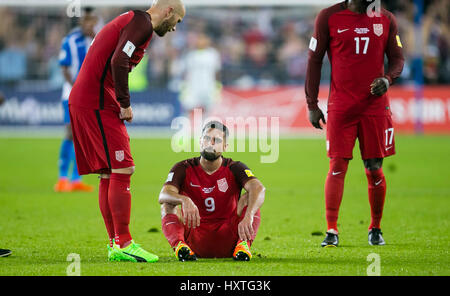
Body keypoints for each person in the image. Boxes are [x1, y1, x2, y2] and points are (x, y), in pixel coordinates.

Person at [68, 0, 186, 262]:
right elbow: (119, 59)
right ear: (168, 11)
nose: (175, 28)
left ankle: (115, 243)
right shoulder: (142, 23)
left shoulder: (132, 20)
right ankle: (124, 242)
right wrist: (125, 103)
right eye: (177, 21)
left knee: (109, 172)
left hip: (88, 97)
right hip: (97, 100)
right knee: (123, 168)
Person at [305, 0, 404, 247]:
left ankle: (376, 228)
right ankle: (331, 230)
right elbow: (314, 60)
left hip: (375, 106)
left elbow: (398, 59)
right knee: (337, 165)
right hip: (341, 106)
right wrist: (311, 104)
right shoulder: (328, 17)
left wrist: (388, 79)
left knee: (373, 167)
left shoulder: (387, 19)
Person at [159, 121, 265, 261]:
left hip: (229, 237)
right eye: (207, 138)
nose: (211, 142)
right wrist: (184, 199)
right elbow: (163, 195)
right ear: (200, 141)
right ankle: (180, 247)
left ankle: (243, 246)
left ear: (225, 146)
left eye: (217, 140)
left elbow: (259, 188)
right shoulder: (183, 168)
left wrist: (249, 215)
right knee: (168, 203)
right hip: (194, 237)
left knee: (251, 198)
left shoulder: (235, 168)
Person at [54, 8, 98, 193]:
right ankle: (62, 178)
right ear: (81, 22)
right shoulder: (70, 40)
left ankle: (76, 179)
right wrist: (76, 87)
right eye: (86, 20)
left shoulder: (97, 39)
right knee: (71, 133)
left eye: (92, 20)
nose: (89, 24)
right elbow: (64, 68)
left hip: (89, 95)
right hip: (71, 94)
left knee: (81, 137)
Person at [179, 33, 222, 118]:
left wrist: (217, 86)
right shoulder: (190, 55)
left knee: (208, 108)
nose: (200, 42)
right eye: (199, 39)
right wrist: (184, 85)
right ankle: (185, 126)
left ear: (208, 41)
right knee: (187, 107)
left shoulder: (213, 54)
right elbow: (185, 72)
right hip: (193, 86)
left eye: (203, 39)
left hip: (208, 86)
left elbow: (217, 71)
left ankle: (205, 127)